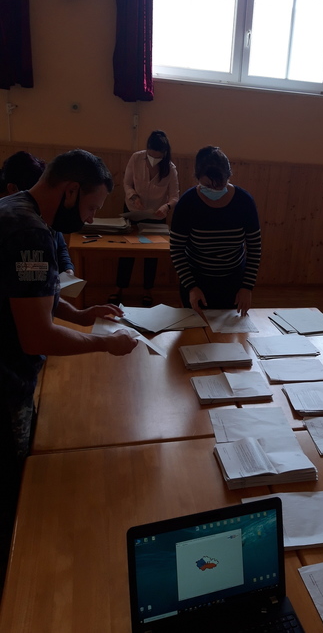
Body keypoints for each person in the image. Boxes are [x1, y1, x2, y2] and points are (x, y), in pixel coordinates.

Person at [0, 148, 137, 590]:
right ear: (71, 191)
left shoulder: (14, 207)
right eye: (92, 207)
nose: (92, 218)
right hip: (7, 382)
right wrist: (104, 344)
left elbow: (28, 295)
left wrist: (79, 315)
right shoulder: (31, 232)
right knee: (15, 483)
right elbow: (36, 337)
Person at [170, 146, 261, 316]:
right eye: (208, 185)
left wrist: (247, 287)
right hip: (196, 280)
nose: (215, 190)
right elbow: (176, 249)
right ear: (197, 177)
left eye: (220, 185)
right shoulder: (187, 203)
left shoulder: (244, 202)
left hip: (233, 281)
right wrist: (191, 287)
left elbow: (255, 248)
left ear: (228, 177)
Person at [109, 130, 179, 307]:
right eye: (151, 155)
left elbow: (174, 196)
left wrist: (167, 206)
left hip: (157, 215)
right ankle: (119, 288)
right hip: (133, 210)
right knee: (127, 251)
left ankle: (148, 290)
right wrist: (133, 196)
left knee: (151, 255)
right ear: (147, 149)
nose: (153, 158)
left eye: (157, 156)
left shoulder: (170, 168)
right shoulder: (136, 158)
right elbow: (127, 183)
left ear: (164, 153)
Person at [1, 151, 74, 274]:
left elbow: (60, 246)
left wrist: (68, 269)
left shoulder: (45, 207)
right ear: (12, 189)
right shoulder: (11, 221)